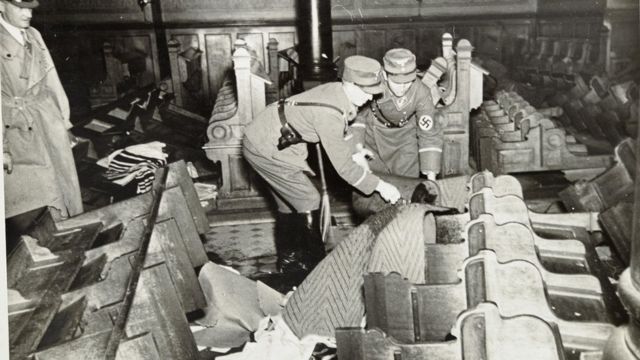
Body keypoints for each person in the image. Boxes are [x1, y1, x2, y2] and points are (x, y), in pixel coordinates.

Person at [242, 55, 401, 274]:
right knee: (308, 198)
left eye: (374, 90)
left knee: (289, 203)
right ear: (349, 83)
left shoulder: (339, 93)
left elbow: (342, 129)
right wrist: (381, 186)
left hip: (274, 137)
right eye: (366, 91)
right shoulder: (328, 113)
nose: (370, 97)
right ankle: (316, 269)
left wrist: (356, 151)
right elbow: (343, 167)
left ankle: (290, 262)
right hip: (265, 145)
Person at [1, 0, 83, 241]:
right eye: (20, 7)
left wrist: (64, 123)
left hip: (47, 121)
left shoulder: (33, 35)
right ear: (1, 5)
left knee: (63, 192)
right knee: (32, 205)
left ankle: (68, 243)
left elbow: (51, 79)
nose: (28, 14)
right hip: (15, 131)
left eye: (31, 8)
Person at [350, 48, 444, 180]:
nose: (403, 87)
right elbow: (358, 117)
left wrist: (431, 179)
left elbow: (429, 134)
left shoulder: (421, 92)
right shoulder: (374, 83)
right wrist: (358, 148)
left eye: (408, 81)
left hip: (405, 139)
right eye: (397, 82)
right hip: (372, 138)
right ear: (384, 74)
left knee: (407, 184)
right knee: (372, 184)